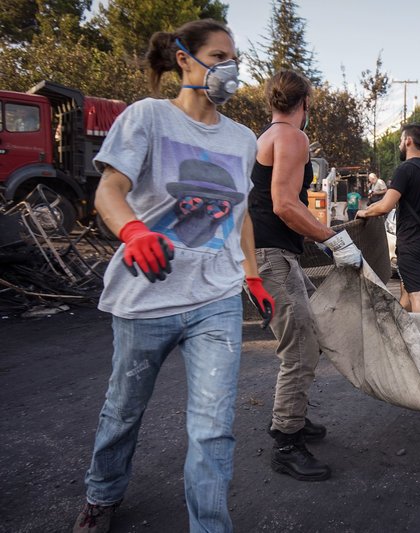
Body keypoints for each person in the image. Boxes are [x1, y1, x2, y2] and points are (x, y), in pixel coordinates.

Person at [73, 19, 273, 533]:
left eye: (235, 58)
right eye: (219, 55)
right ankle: (103, 492)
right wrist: (135, 233)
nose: (229, 68)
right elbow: (109, 192)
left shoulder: (243, 139)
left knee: (213, 430)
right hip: (147, 297)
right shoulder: (147, 118)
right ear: (184, 58)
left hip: (217, 299)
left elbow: (241, 214)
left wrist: (251, 277)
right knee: (123, 411)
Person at [248, 69, 363, 482]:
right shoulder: (292, 137)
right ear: (305, 105)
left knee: (309, 335)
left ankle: (291, 416)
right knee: (298, 349)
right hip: (272, 256)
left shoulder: (264, 136)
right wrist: (335, 240)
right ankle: (285, 442)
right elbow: (283, 204)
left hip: (273, 254)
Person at [355, 124, 420, 313]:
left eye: (401, 140)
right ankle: (399, 333)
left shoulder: (405, 169)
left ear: (408, 141)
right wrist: (371, 207)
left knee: (417, 294)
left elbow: (385, 206)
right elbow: (387, 200)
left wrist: (364, 213)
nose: (400, 144)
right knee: (407, 293)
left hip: (411, 241)